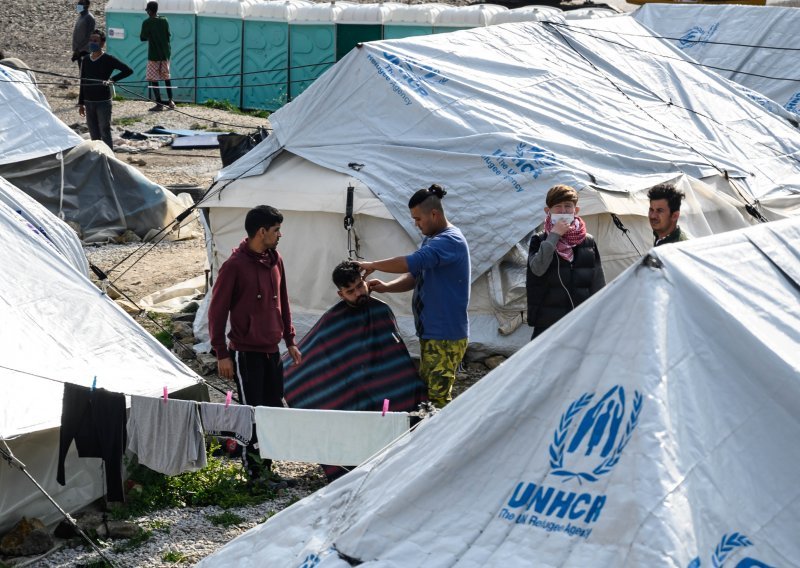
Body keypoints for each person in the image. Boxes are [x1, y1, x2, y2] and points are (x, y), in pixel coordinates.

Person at [281, 261, 427, 481]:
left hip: (382, 383)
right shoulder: (333, 320)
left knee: (409, 393)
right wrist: (283, 372)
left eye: (360, 286)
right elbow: (315, 349)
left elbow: (395, 355)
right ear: (341, 294)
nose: (358, 293)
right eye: (351, 291)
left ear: (365, 282)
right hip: (351, 387)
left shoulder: (381, 310)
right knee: (344, 410)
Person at [208, 205, 302, 488]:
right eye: (276, 230)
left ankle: (268, 469)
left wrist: (290, 340)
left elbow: (283, 301)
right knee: (253, 410)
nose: (279, 235)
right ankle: (254, 474)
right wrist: (221, 353)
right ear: (262, 232)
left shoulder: (275, 260)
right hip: (245, 352)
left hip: (272, 350)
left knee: (272, 409)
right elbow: (217, 311)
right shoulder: (234, 266)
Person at [358, 184, 470, 409]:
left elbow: (411, 262)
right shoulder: (432, 240)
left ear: (434, 214)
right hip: (431, 332)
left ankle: (443, 442)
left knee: (438, 401)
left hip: (445, 336)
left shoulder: (450, 241)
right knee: (427, 395)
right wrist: (386, 287)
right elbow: (414, 276)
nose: (416, 224)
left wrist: (372, 264)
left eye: (418, 219)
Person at [526, 184, 605, 340]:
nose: (563, 211)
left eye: (568, 206)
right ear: (548, 211)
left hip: (580, 319)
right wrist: (553, 236)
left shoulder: (587, 241)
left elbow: (597, 281)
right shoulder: (540, 240)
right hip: (547, 321)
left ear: (576, 210)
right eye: (557, 207)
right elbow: (537, 269)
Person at [77, 30, 133, 151]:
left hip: (103, 101)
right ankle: (98, 156)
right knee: (93, 132)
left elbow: (128, 70)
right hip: (88, 101)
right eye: (91, 40)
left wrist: (112, 79)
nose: (92, 43)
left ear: (102, 43)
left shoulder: (108, 59)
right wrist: (81, 103)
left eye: (95, 41)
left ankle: (109, 155)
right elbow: (83, 81)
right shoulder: (86, 60)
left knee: (104, 130)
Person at [140, 1, 175, 111]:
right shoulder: (165, 20)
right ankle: (171, 101)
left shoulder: (147, 22)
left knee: (153, 78)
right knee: (166, 77)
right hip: (165, 54)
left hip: (154, 55)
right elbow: (168, 35)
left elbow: (142, 38)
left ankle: (159, 104)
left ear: (149, 11)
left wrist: (151, 36)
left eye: (147, 11)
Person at [71, 0, 95, 71]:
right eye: (78, 3)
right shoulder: (81, 16)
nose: (79, 5)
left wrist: (78, 48)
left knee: (86, 72)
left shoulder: (89, 18)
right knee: (81, 71)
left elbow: (89, 36)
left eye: (81, 3)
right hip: (79, 50)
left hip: (85, 50)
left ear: (87, 6)